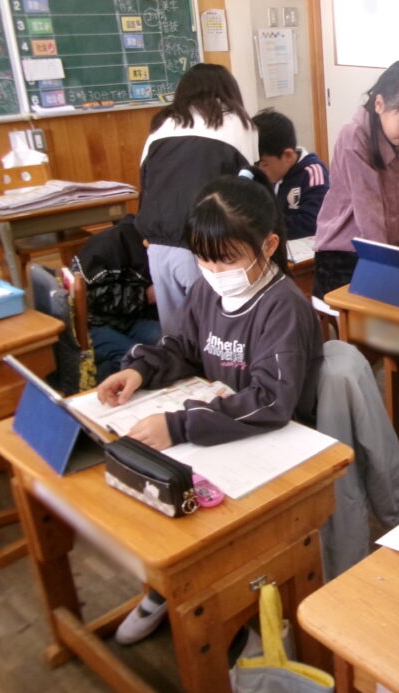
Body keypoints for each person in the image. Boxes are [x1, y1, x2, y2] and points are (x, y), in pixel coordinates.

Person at [98, 174, 323, 643]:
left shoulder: (281, 305)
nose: (214, 270)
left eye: (227, 259)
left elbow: (272, 400)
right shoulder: (210, 290)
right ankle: (167, 587)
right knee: (152, 495)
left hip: (272, 444)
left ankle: (229, 615)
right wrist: (140, 370)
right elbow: (183, 345)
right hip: (219, 429)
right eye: (202, 258)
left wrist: (179, 426)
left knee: (188, 510)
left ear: (269, 245)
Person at [136, 63, 258, 335]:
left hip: (158, 245)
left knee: (175, 335)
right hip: (206, 244)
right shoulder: (238, 123)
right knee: (215, 332)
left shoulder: (161, 125)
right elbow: (251, 189)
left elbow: (145, 182)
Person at [313, 60, 399, 299]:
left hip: (393, 251)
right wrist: (391, 265)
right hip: (347, 252)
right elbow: (368, 213)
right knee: (380, 315)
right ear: (379, 104)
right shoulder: (354, 136)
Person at [71, 215, 162, 383]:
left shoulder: (147, 239)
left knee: (165, 340)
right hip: (94, 322)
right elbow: (94, 298)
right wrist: (145, 295)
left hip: (128, 318)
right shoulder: (113, 243)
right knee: (131, 358)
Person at [251, 108, 329, 239]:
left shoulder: (313, 172)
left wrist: (263, 226)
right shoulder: (270, 173)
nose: (260, 170)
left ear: (287, 155)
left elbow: (313, 223)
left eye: (264, 164)